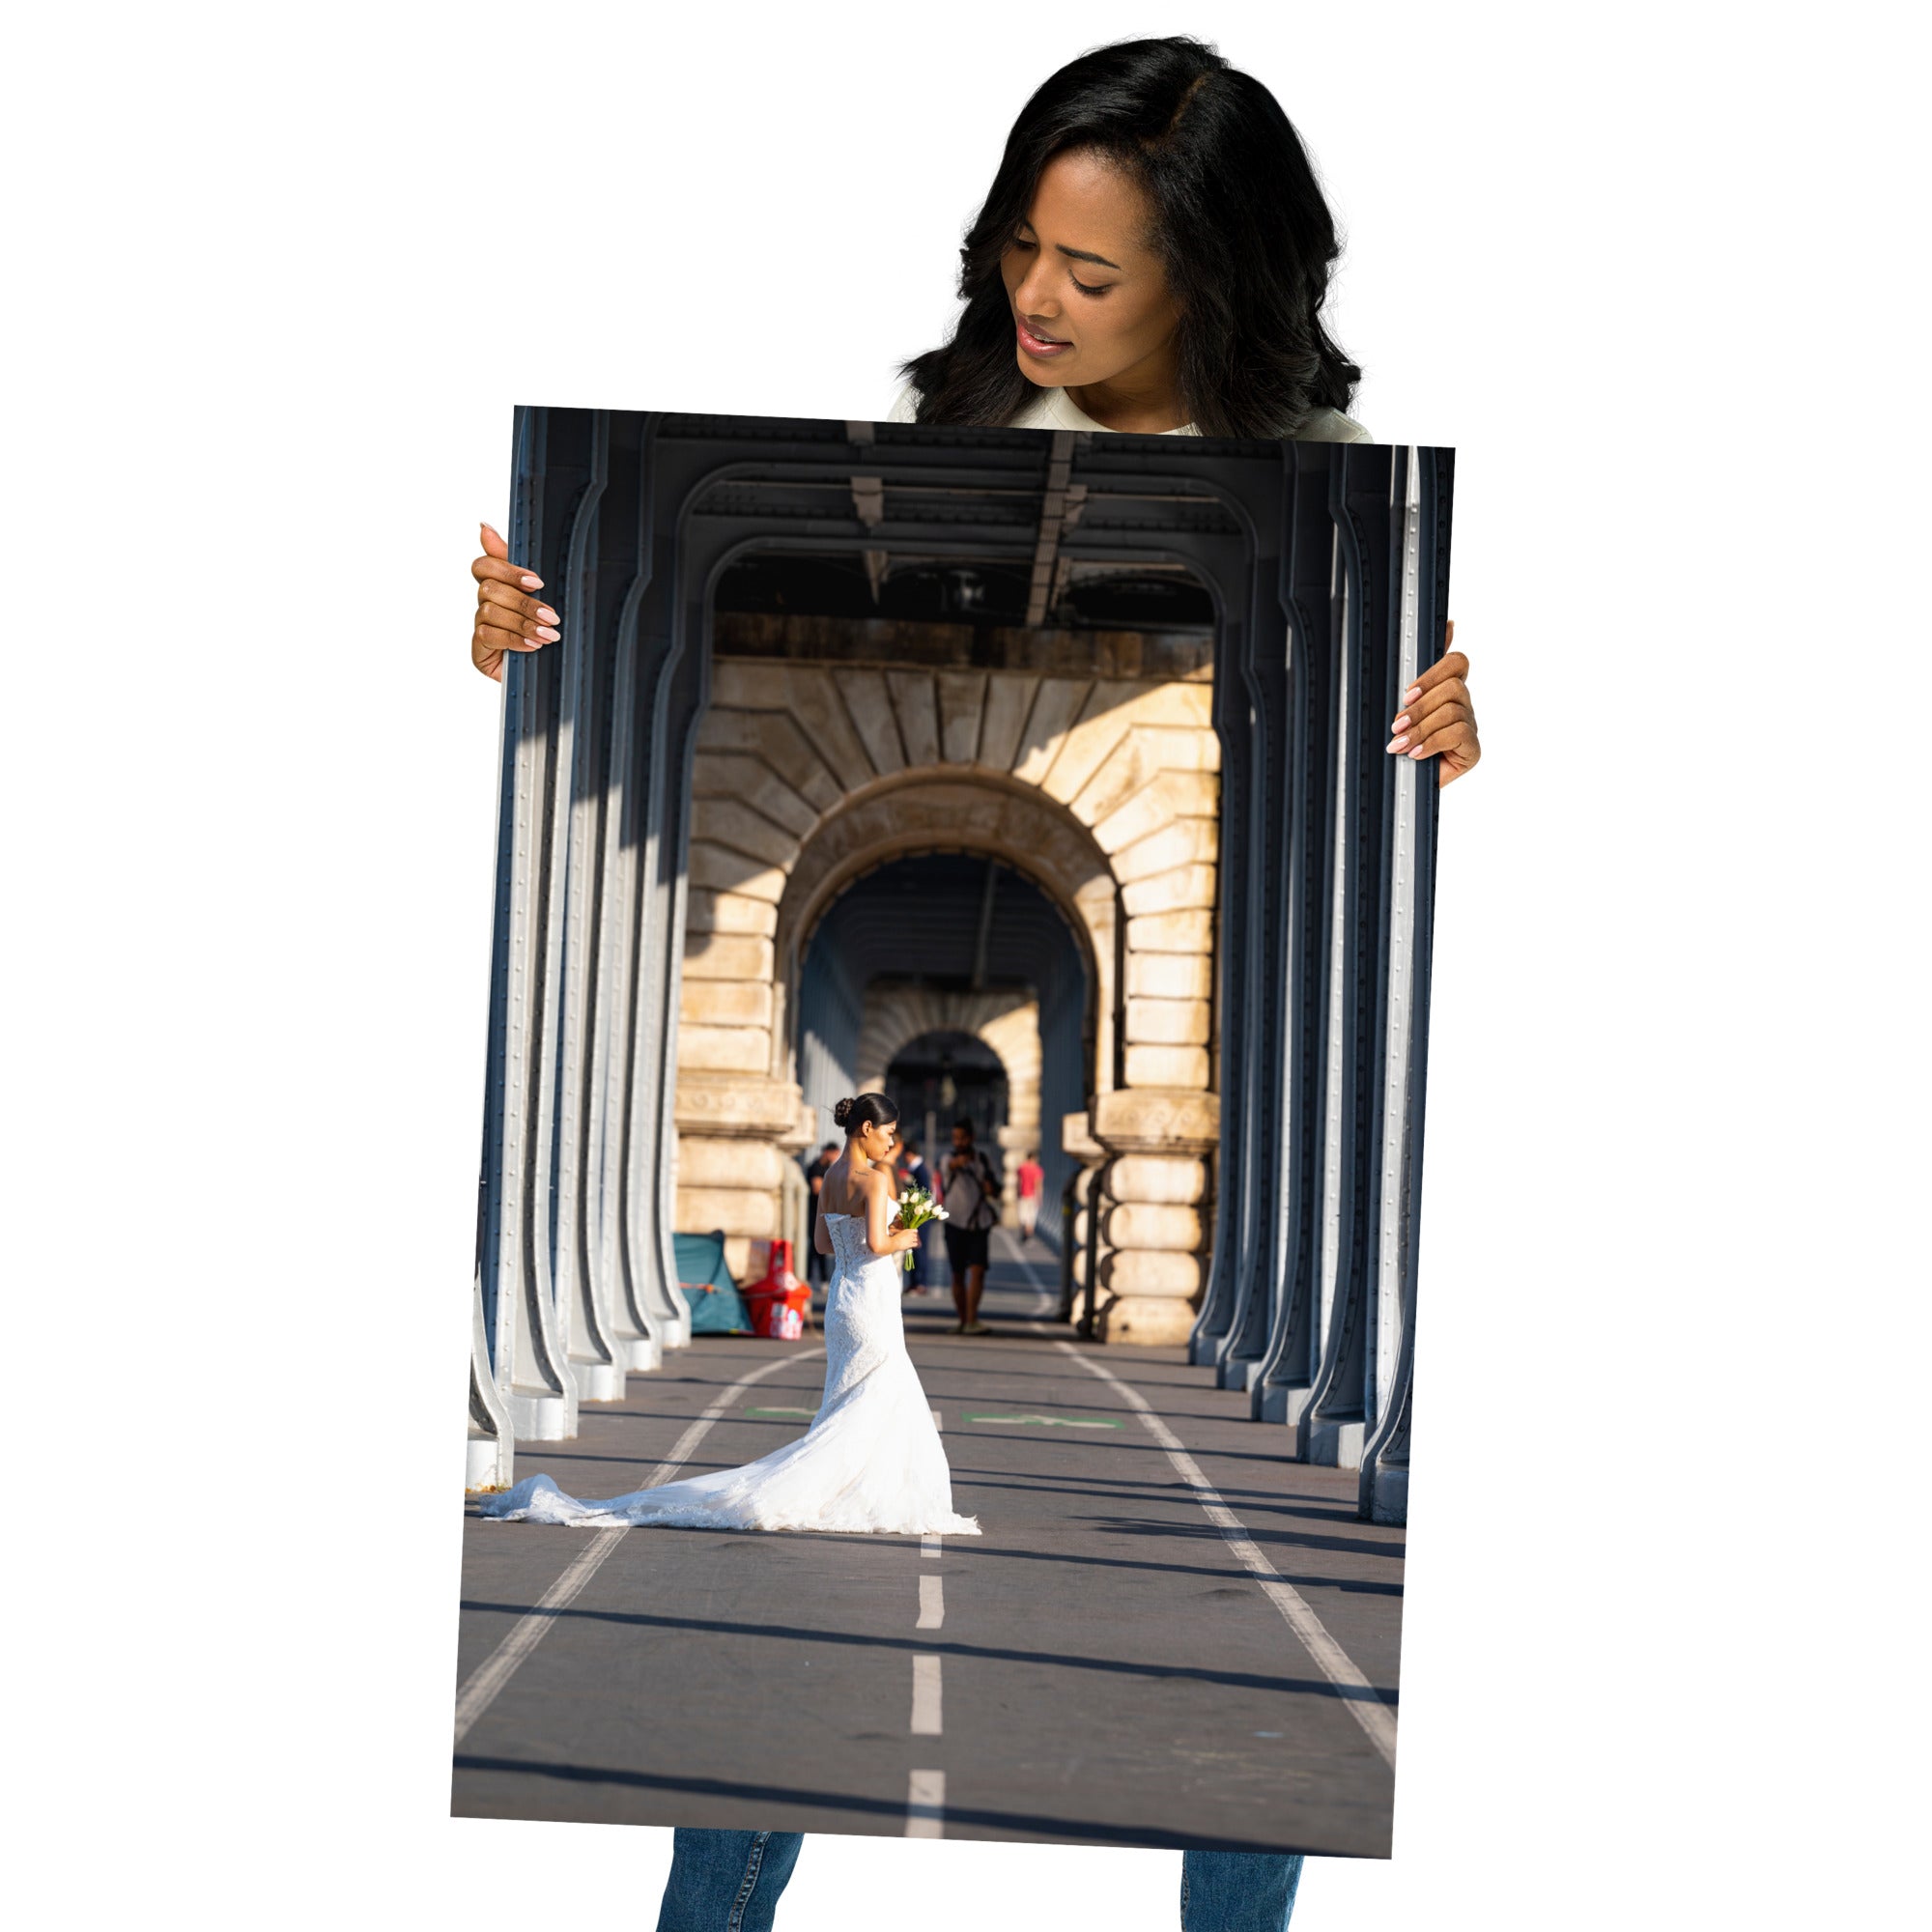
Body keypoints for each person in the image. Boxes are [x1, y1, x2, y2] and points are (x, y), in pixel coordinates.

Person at [468, 33, 1481, 1932]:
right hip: (887, 1307)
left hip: (894, 1306)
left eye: (1093, 274)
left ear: (1221, 279)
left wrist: (1477, 726)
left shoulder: (1366, 488)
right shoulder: (899, 401)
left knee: (837, 1492)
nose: (1036, 296)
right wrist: (487, 636)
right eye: (1025, 242)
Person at [481, 1094, 978, 1537]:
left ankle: (844, 1486)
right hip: (871, 1300)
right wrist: (904, 1235)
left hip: (845, 1301)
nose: (892, 1143)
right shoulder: (874, 1179)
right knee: (878, 1394)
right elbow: (875, 1244)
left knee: (851, 1398)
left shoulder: (830, 1176)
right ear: (866, 1129)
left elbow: (825, 1244)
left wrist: (882, 1233)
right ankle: (861, 1491)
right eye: (888, 1133)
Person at [939, 1118, 1001, 1337]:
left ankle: (972, 1319)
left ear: (971, 1138)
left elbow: (995, 1189)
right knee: (957, 1273)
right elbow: (949, 1166)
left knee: (978, 1270)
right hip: (954, 1222)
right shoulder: (948, 1158)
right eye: (955, 1138)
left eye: (962, 1138)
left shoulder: (983, 1159)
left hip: (978, 1222)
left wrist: (990, 1187)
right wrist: (960, 1163)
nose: (958, 1142)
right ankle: (962, 1319)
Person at [894, 1140, 933, 1294]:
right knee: (913, 1249)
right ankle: (914, 1282)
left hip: (919, 1215)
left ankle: (920, 1282)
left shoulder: (920, 1169)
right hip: (915, 1214)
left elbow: (924, 1193)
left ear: (909, 1155)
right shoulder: (916, 1168)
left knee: (919, 1249)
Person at [803, 1142, 838, 1293]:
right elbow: (817, 1188)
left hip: (822, 1211)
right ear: (828, 1152)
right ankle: (811, 1277)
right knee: (815, 1247)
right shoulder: (816, 1166)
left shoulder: (826, 1168)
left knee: (821, 1247)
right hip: (813, 1212)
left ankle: (822, 1277)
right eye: (835, 1153)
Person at [1015, 1151, 1044, 1242]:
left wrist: (1018, 1192)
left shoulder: (1021, 1168)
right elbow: (1038, 1184)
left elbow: (1019, 1181)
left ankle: (1024, 1230)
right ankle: (1028, 1233)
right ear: (1033, 1158)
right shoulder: (1037, 1169)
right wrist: (1039, 1197)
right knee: (1031, 1215)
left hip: (1023, 1194)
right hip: (1033, 1195)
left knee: (1023, 1214)